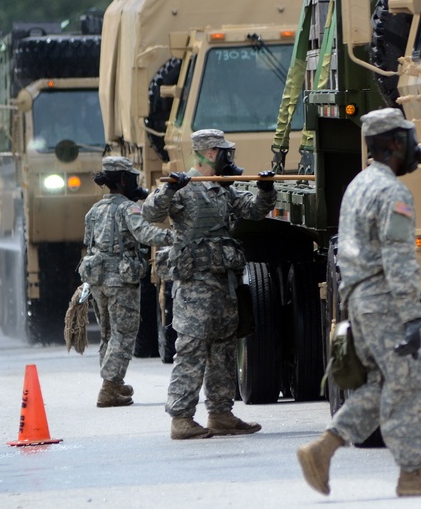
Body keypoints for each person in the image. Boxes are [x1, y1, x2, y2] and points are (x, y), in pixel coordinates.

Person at [296, 108, 421, 498]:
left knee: (382, 383)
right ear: (394, 144)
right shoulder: (392, 192)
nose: (415, 148)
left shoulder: (359, 184)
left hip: (358, 299)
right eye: (408, 139)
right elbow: (398, 258)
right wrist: (412, 317)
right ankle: (411, 473)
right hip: (383, 300)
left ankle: (323, 448)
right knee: (411, 376)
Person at [142, 128, 277, 440]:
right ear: (210, 153)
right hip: (194, 286)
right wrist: (170, 190)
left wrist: (266, 189)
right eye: (223, 151)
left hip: (223, 284)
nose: (229, 156)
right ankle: (181, 418)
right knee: (191, 351)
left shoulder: (224, 189)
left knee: (223, 353)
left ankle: (221, 413)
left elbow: (255, 210)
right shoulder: (186, 189)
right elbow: (150, 213)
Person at [80, 156, 173, 408]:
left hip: (98, 279)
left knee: (108, 335)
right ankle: (109, 387)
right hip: (121, 280)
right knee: (124, 334)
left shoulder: (94, 211)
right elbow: (145, 233)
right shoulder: (128, 209)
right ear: (123, 180)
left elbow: (89, 244)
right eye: (131, 178)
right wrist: (173, 236)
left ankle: (115, 383)